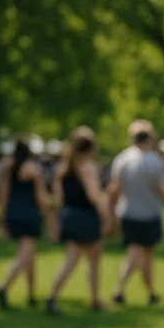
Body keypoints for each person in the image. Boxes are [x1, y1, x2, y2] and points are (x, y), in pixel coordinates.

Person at [108, 120, 164, 306]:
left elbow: (114, 189)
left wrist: (110, 214)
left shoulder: (122, 159)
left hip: (127, 212)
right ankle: (119, 289)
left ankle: (151, 291)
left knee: (145, 255)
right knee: (137, 253)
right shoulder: (155, 162)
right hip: (149, 214)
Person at [45, 126, 113, 315]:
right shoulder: (88, 167)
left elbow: (57, 198)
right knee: (87, 260)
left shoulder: (64, 167)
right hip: (86, 216)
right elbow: (93, 195)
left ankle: (88, 298)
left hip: (70, 214)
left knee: (77, 259)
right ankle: (61, 297)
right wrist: (105, 208)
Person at [0, 139, 51, 309]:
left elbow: (3, 195)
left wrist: (1, 219)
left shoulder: (7, 168)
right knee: (25, 256)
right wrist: (49, 213)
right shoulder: (34, 169)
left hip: (13, 213)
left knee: (29, 255)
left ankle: (31, 294)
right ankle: (4, 286)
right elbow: (41, 197)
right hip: (29, 214)